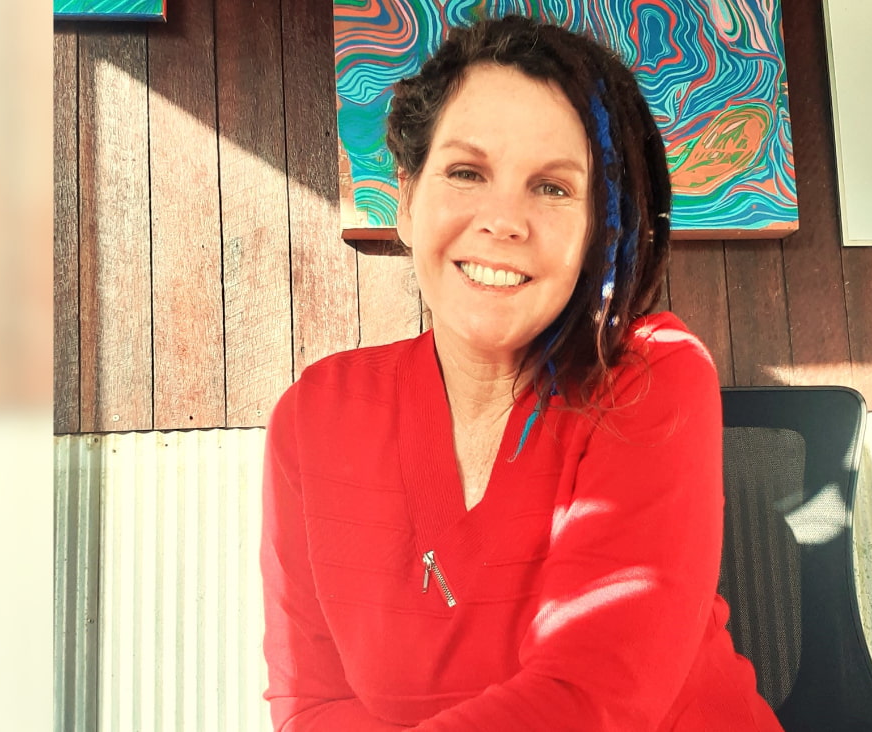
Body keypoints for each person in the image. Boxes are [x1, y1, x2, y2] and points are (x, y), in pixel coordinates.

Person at [261, 15, 784, 731]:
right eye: (467, 172)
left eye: (553, 188)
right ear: (408, 200)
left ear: (601, 226)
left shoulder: (654, 371)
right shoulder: (313, 414)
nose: (504, 219)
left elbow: (591, 701)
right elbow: (314, 705)